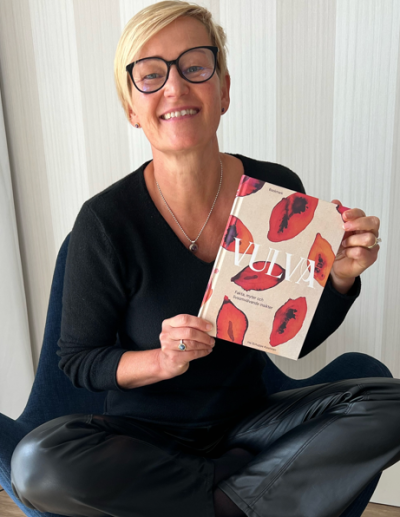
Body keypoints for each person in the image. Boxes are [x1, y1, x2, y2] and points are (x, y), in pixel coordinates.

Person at [10, 2, 400, 517]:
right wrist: (160, 360)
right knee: (36, 463)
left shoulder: (276, 192)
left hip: (250, 425)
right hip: (144, 440)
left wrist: (341, 279)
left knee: (390, 402)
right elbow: (79, 360)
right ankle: (233, 498)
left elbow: (296, 338)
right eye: (151, 75)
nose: (175, 87)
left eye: (195, 66)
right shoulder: (106, 222)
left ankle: (213, 500)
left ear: (224, 89)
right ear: (131, 108)